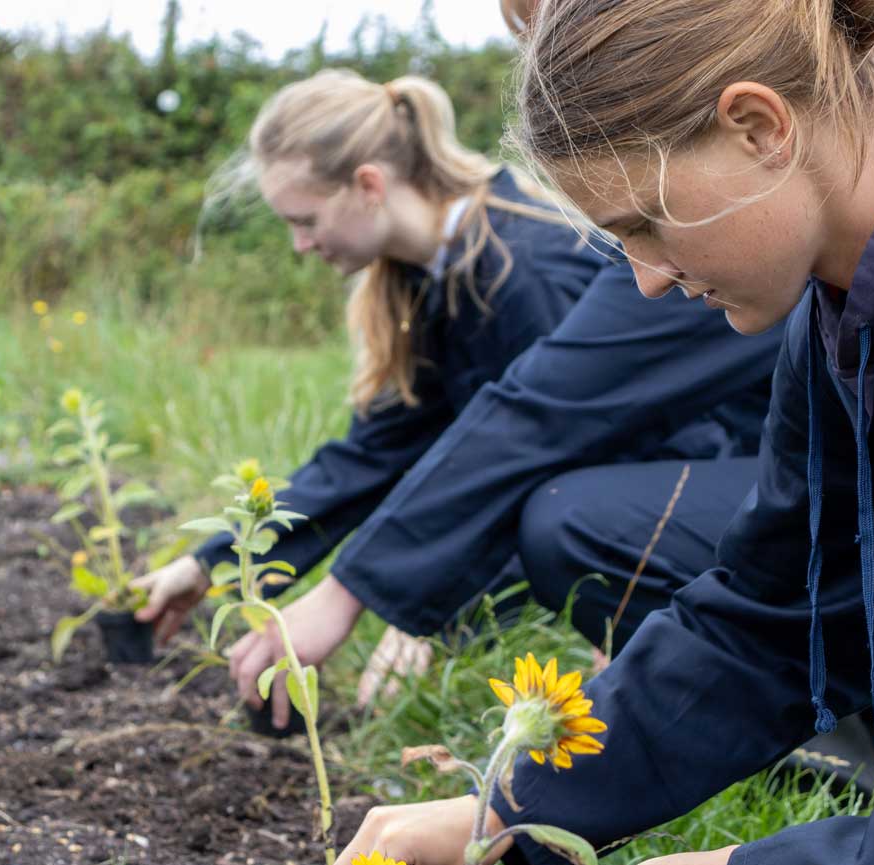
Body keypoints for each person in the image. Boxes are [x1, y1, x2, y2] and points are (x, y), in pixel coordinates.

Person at [313, 3, 874, 865]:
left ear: (758, 126)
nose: (641, 280)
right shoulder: (859, 295)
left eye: (644, 224)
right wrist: (504, 808)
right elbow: (767, 617)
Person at [133, 68, 783, 736]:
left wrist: (431, 613)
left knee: (566, 516)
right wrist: (213, 561)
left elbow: (567, 448)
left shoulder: (526, 267)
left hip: (733, 488)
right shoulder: (425, 280)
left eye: (305, 221)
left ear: (368, 185)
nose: (300, 245)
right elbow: (374, 453)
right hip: (605, 502)